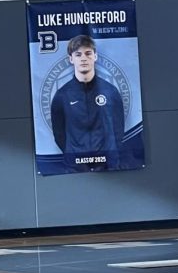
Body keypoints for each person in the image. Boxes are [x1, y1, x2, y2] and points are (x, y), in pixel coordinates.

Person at [50, 34, 125, 172]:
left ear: (95, 56)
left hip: (108, 165)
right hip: (75, 167)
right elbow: (59, 134)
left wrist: (109, 154)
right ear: (71, 59)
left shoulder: (111, 91)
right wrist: (75, 156)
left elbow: (118, 129)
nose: (83, 58)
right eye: (78, 54)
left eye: (88, 53)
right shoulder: (62, 95)